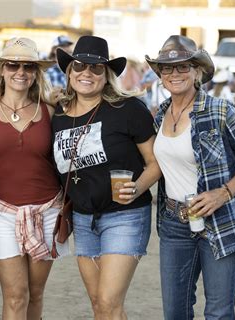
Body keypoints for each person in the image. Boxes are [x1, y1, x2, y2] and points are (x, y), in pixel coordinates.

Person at [146, 35, 235, 320]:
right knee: (175, 312)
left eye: (183, 66)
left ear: (197, 71)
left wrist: (223, 192)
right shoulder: (159, 117)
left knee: (218, 312)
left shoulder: (219, 110)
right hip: (175, 224)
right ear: (160, 75)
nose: (174, 74)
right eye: (167, 68)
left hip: (223, 221)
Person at [52, 35, 161, 319]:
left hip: (125, 216)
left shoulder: (128, 110)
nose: (86, 73)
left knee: (108, 302)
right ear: (69, 71)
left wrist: (137, 188)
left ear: (107, 75)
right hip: (84, 219)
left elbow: (156, 162)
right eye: (79, 66)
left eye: (96, 68)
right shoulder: (58, 116)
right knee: (101, 304)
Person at [0, 37, 69, 320]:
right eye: (13, 65)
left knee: (35, 293)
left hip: (48, 211)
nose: (21, 72)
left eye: (28, 66)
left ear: (35, 72)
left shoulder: (50, 111)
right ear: (2, 70)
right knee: (16, 296)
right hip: (0, 213)